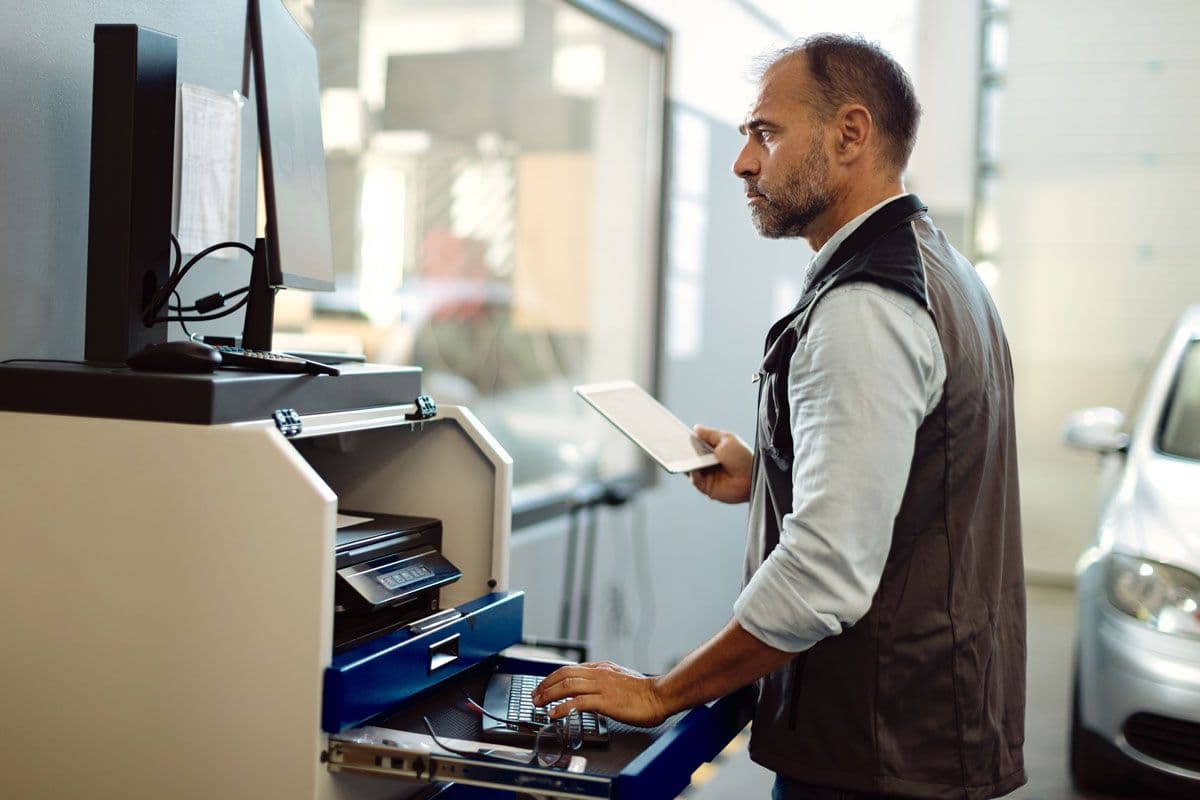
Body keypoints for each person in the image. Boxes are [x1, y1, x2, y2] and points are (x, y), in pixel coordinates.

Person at [534, 33, 1026, 800]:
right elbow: (921, 472)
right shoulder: (942, 271)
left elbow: (825, 571)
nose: (744, 163)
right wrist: (768, 475)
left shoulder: (866, 305)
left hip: (877, 752)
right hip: (932, 727)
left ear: (850, 134)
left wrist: (663, 691)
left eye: (766, 133)